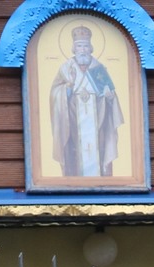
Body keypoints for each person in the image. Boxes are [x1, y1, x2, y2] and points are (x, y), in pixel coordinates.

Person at [48, 25, 124, 177]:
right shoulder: (65, 69)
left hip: (98, 121)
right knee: (73, 152)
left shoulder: (99, 69)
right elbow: (54, 94)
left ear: (91, 48)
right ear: (73, 49)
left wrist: (110, 97)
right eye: (79, 46)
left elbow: (110, 95)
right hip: (72, 122)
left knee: (99, 148)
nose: (82, 50)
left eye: (85, 46)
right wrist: (67, 89)